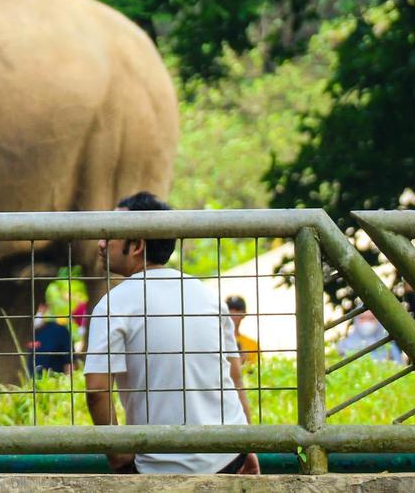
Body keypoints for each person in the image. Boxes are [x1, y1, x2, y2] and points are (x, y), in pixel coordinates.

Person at [84, 191, 259, 476]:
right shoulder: (208, 296)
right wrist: (249, 445)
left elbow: (96, 390)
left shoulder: (113, 304)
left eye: (110, 234)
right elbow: (234, 376)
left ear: (137, 244)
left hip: (157, 467)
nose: (101, 243)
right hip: (227, 456)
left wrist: (118, 455)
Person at [335, 309, 401, 363]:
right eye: (362, 318)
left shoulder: (389, 348)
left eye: (371, 319)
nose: (366, 322)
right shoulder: (342, 346)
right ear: (356, 320)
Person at [28, 301, 74, 376]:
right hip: (32, 384)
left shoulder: (59, 331)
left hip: (54, 383)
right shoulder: (30, 333)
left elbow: (69, 362)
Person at [225, 296, 260, 366]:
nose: (233, 314)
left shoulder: (253, 344)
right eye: (229, 310)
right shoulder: (217, 340)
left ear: (244, 314)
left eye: (237, 310)